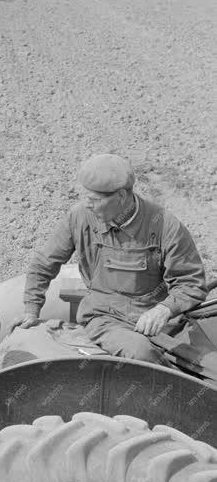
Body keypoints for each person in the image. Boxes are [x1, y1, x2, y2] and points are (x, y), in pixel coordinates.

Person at [17, 154, 206, 365]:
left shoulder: (164, 225)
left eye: (95, 200)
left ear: (122, 196)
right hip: (104, 317)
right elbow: (44, 263)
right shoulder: (79, 217)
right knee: (140, 352)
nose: (88, 205)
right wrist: (31, 309)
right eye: (85, 197)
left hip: (158, 319)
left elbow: (191, 283)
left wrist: (164, 309)